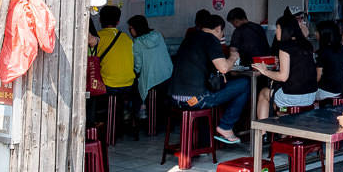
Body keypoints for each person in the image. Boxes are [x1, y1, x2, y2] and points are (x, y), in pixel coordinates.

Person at [170, 14, 249, 144]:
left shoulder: (189, 38)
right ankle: (226, 127)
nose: (222, 36)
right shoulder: (211, 39)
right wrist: (233, 57)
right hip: (195, 100)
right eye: (222, 32)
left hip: (175, 99)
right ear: (218, 28)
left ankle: (203, 144)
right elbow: (224, 68)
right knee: (244, 84)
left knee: (209, 94)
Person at [254, 10, 318, 118]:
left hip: (294, 97)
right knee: (277, 104)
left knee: (264, 93)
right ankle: (283, 128)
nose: (276, 31)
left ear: (285, 30)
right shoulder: (306, 45)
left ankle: (262, 133)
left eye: (278, 28)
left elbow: (283, 77)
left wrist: (264, 71)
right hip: (311, 96)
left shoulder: (285, 47)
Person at [88, 6, 138, 133]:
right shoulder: (127, 39)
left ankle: (94, 126)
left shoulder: (97, 38)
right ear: (118, 21)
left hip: (109, 86)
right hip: (129, 84)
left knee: (89, 93)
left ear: (99, 20)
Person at [127, 15, 173, 120]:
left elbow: (138, 66)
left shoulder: (137, 43)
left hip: (151, 81)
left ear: (136, 28)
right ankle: (160, 120)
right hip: (167, 76)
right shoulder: (158, 35)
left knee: (134, 87)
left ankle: (142, 114)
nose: (130, 32)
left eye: (130, 29)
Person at [315, 21, 343, 101]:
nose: (315, 33)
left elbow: (317, 77)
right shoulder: (342, 49)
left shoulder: (324, 51)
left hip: (325, 92)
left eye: (317, 31)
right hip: (339, 90)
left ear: (323, 33)